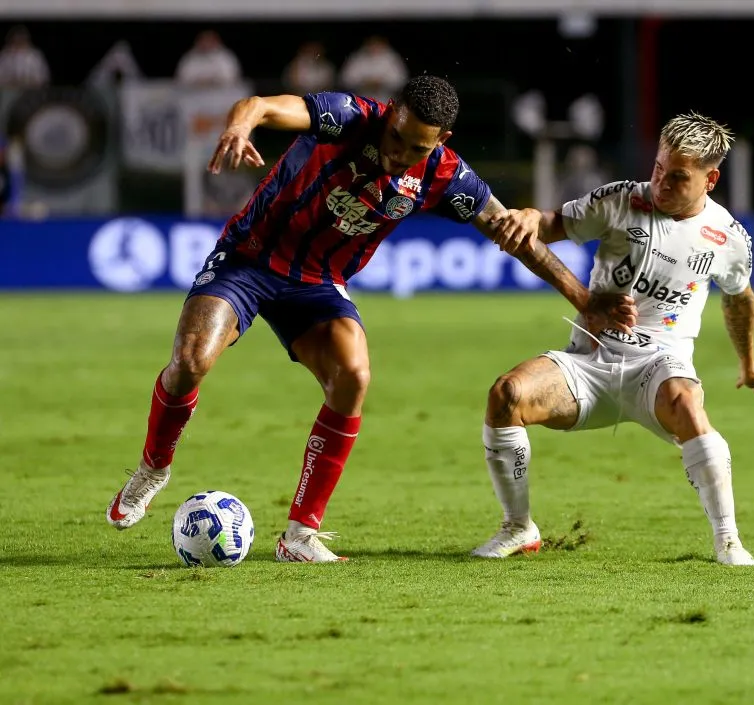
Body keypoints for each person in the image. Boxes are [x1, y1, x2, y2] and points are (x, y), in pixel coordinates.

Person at [105, 75, 634, 563]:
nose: (399, 154)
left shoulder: (445, 174)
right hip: (250, 258)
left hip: (316, 286)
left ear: (442, 138)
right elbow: (264, 107)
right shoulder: (348, 116)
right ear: (391, 114)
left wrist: (583, 298)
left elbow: (514, 235)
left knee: (353, 375)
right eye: (397, 137)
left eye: (417, 147)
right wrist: (243, 122)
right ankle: (153, 466)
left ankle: (299, 534)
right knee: (192, 361)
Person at [470, 111, 754, 566]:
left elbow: (739, 298)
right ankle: (518, 527)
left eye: (678, 177)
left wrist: (748, 362)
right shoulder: (620, 199)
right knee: (506, 394)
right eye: (658, 169)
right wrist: (530, 215)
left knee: (688, 405)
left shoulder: (727, 236)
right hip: (589, 362)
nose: (662, 183)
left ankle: (728, 541)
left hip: (659, 365)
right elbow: (551, 224)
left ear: (711, 179)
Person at [337, 36, 407, 103]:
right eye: (371, 43)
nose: (374, 46)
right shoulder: (357, 58)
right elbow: (345, 79)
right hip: (361, 103)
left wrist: (382, 83)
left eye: (377, 42)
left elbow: (401, 80)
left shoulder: (392, 58)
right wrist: (363, 82)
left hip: (385, 102)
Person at [175, 30, 242, 87]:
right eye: (203, 41)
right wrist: (199, 82)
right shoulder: (190, 57)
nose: (206, 44)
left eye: (209, 41)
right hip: (194, 94)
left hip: (220, 94)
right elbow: (182, 77)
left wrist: (213, 81)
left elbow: (231, 77)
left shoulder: (225, 56)